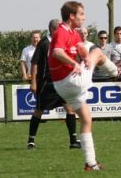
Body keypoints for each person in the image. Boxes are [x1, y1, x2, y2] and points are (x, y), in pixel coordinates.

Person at [48, 1, 117, 170]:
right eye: (81, 14)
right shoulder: (61, 31)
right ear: (72, 16)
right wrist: (74, 63)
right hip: (70, 80)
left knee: (86, 119)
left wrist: (85, 56)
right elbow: (56, 52)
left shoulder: (74, 33)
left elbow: (80, 47)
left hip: (64, 87)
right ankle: (117, 72)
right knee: (98, 52)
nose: (84, 17)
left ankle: (90, 163)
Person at [27, 19, 81, 150]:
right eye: (60, 28)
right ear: (53, 29)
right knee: (39, 110)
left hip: (61, 81)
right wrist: (33, 82)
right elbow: (34, 63)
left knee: (70, 109)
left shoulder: (62, 42)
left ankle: (73, 141)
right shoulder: (44, 43)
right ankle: (31, 141)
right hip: (47, 82)